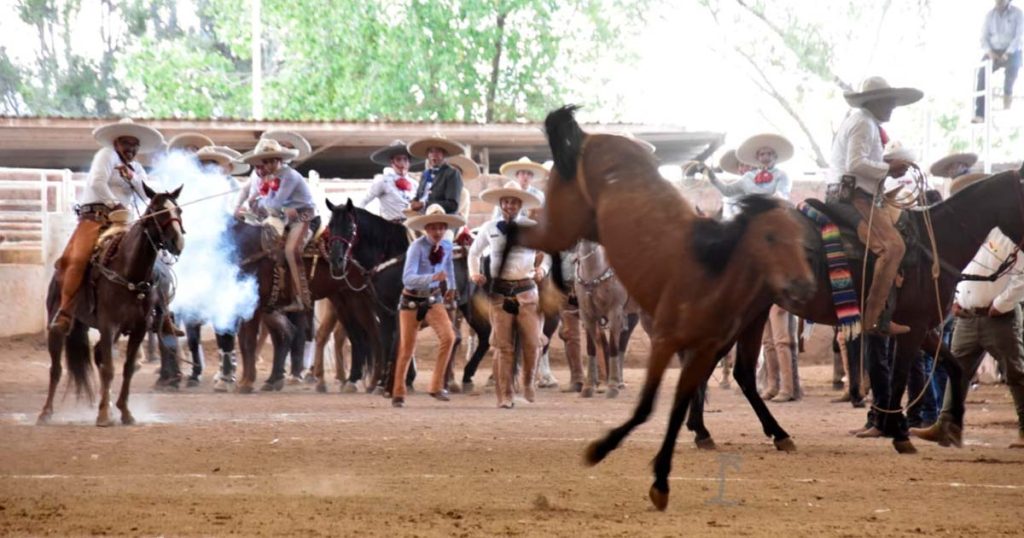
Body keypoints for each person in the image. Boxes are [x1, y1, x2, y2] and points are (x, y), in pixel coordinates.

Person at [912, 173, 1024, 449]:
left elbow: (1021, 274)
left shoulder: (1009, 229)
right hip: (966, 314)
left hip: (999, 317)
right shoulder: (967, 235)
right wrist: (955, 299)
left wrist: (1001, 305)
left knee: (1015, 374)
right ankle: (948, 426)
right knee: (956, 369)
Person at [826, 76, 922, 336]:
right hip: (852, 197)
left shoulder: (864, 122)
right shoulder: (863, 123)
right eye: (889, 102)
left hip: (858, 195)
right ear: (875, 102)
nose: (892, 106)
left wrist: (884, 170)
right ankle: (874, 319)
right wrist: (888, 167)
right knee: (893, 247)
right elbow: (855, 163)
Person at [49, 118, 164, 334]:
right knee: (76, 259)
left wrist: (133, 177)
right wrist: (114, 203)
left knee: (153, 260)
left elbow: (145, 194)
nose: (131, 149)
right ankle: (65, 312)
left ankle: (162, 315)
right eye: (126, 143)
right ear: (117, 142)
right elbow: (97, 182)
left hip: (126, 222)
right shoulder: (106, 155)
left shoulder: (137, 167)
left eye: (134, 145)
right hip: (95, 217)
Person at [469, 181, 551, 409]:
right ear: (501, 204)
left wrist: (542, 270)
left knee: (533, 343)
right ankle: (504, 395)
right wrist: (474, 273)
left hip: (527, 291)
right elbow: (474, 253)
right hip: (500, 294)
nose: (509, 205)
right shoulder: (489, 228)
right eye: (506, 201)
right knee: (503, 347)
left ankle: (528, 382)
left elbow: (549, 253)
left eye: (514, 201)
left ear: (520, 204)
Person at [391, 205, 464, 408]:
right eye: (433, 228)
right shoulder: (416, 247)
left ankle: (436, 386)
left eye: (441, 227)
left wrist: (451, 285)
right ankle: (398, 391)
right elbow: (408, 279)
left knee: (449, 337)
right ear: (426, 228)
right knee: (407, 347)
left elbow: (448, 265)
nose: (438, 231)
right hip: (411, 301)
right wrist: (433, 277)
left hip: (433, 299)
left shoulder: (447, 246)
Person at [241, 138, 315, 312]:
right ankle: (279, 290)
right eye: (264, 161)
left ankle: (302, 299)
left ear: (279, 160)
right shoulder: (271, 179)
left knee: (291, 250)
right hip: (286, 218)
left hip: (304, 216)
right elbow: (267, 208)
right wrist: (257, 202)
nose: (266, 165)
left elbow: (273, 205)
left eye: (269, 161)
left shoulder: (288, 176)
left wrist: (257, 200)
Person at [975, 0, 1024, 121]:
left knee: (1013, 66)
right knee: (982, 73)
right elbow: (983, 38)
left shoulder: (1018, 14)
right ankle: (980, 113)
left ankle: (1007, 95)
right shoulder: (989, 16)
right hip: (993, 51)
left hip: (1012, 50)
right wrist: (990, 52)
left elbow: (1019, 36)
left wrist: (1008, 53)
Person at [360, 140, 421, 222]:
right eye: (398, 160)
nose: (402, 163)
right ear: (392, 162)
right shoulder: (382, 181)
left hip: (411, 224)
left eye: (405, 159)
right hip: (391, 226)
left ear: (409, 162)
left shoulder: (414, 184)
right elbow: (364, 201)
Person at [407, 135, 465, 215]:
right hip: (422, 217)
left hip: (442, 219)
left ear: (444, 154)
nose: (434, 155)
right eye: (431, 152)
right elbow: (419, 196)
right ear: (427, 155)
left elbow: (452, 204)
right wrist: (414, 201)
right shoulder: (425, 174)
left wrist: (424, 204)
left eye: (438, 151)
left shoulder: (452, 173)